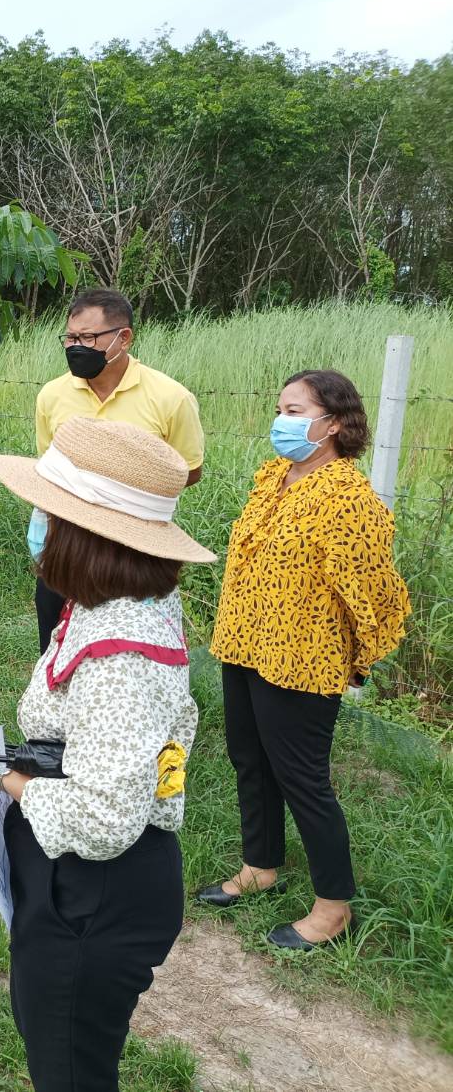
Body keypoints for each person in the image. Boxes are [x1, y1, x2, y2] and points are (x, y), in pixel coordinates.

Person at [0, 416, 215, 1092]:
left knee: (68, 1068)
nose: (35, 522)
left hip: (94, 892)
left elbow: (104, 821)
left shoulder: (120, 655)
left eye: (48, 510)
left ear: (86, 531)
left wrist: (5, 778)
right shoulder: (120, 602)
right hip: (85, 885)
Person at [201, 370, 409, 949]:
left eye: (295, 411)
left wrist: (356, 658)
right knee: (250, 757)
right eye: (280, 409)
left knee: (302, 779)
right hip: (245, 643)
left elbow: (377, 594)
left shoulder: (349, 498)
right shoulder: (275, 477)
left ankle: (333, 905)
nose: (281, 421)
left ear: (334, 423)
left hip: (304, 659)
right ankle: (261, 865)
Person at [31, 289, 204, 652]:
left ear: (123, 338)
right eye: (71, 337)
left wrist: (124, 492)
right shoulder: (52, 395)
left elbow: (188, 471)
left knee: (121, 652)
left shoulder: (171, 399)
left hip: (130, 557)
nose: (76, 346)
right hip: (64, 547)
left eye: (88, 338)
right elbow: (50, 468)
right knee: (54, 647)